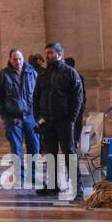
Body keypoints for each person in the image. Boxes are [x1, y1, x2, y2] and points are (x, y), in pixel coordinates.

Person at [33, 42, 85, 197]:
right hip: (46, 121)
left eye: (50, 53)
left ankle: (78, 188)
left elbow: (78, 98)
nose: (47, 56)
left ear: (59, 54)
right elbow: (36, 98)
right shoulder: (43, 75)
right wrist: (38, 118)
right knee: (50, 154)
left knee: (69, 154)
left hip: (64, 121)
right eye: (46, 53)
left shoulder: (70, 73)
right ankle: (53, 185)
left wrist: (71, 119)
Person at [0, 48, 39, 187]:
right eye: (15, 59)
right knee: (16, 150)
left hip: (30, 117)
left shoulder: (32, 73)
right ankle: (20, 177)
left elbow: (39, 94)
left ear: (23, 59)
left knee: (34, 147)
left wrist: (38, 115)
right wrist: (5, 116)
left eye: (20, 59)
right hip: (13, 118)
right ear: (10, 60)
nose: (18, 62)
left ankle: (33, 175)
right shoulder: (2, 75)